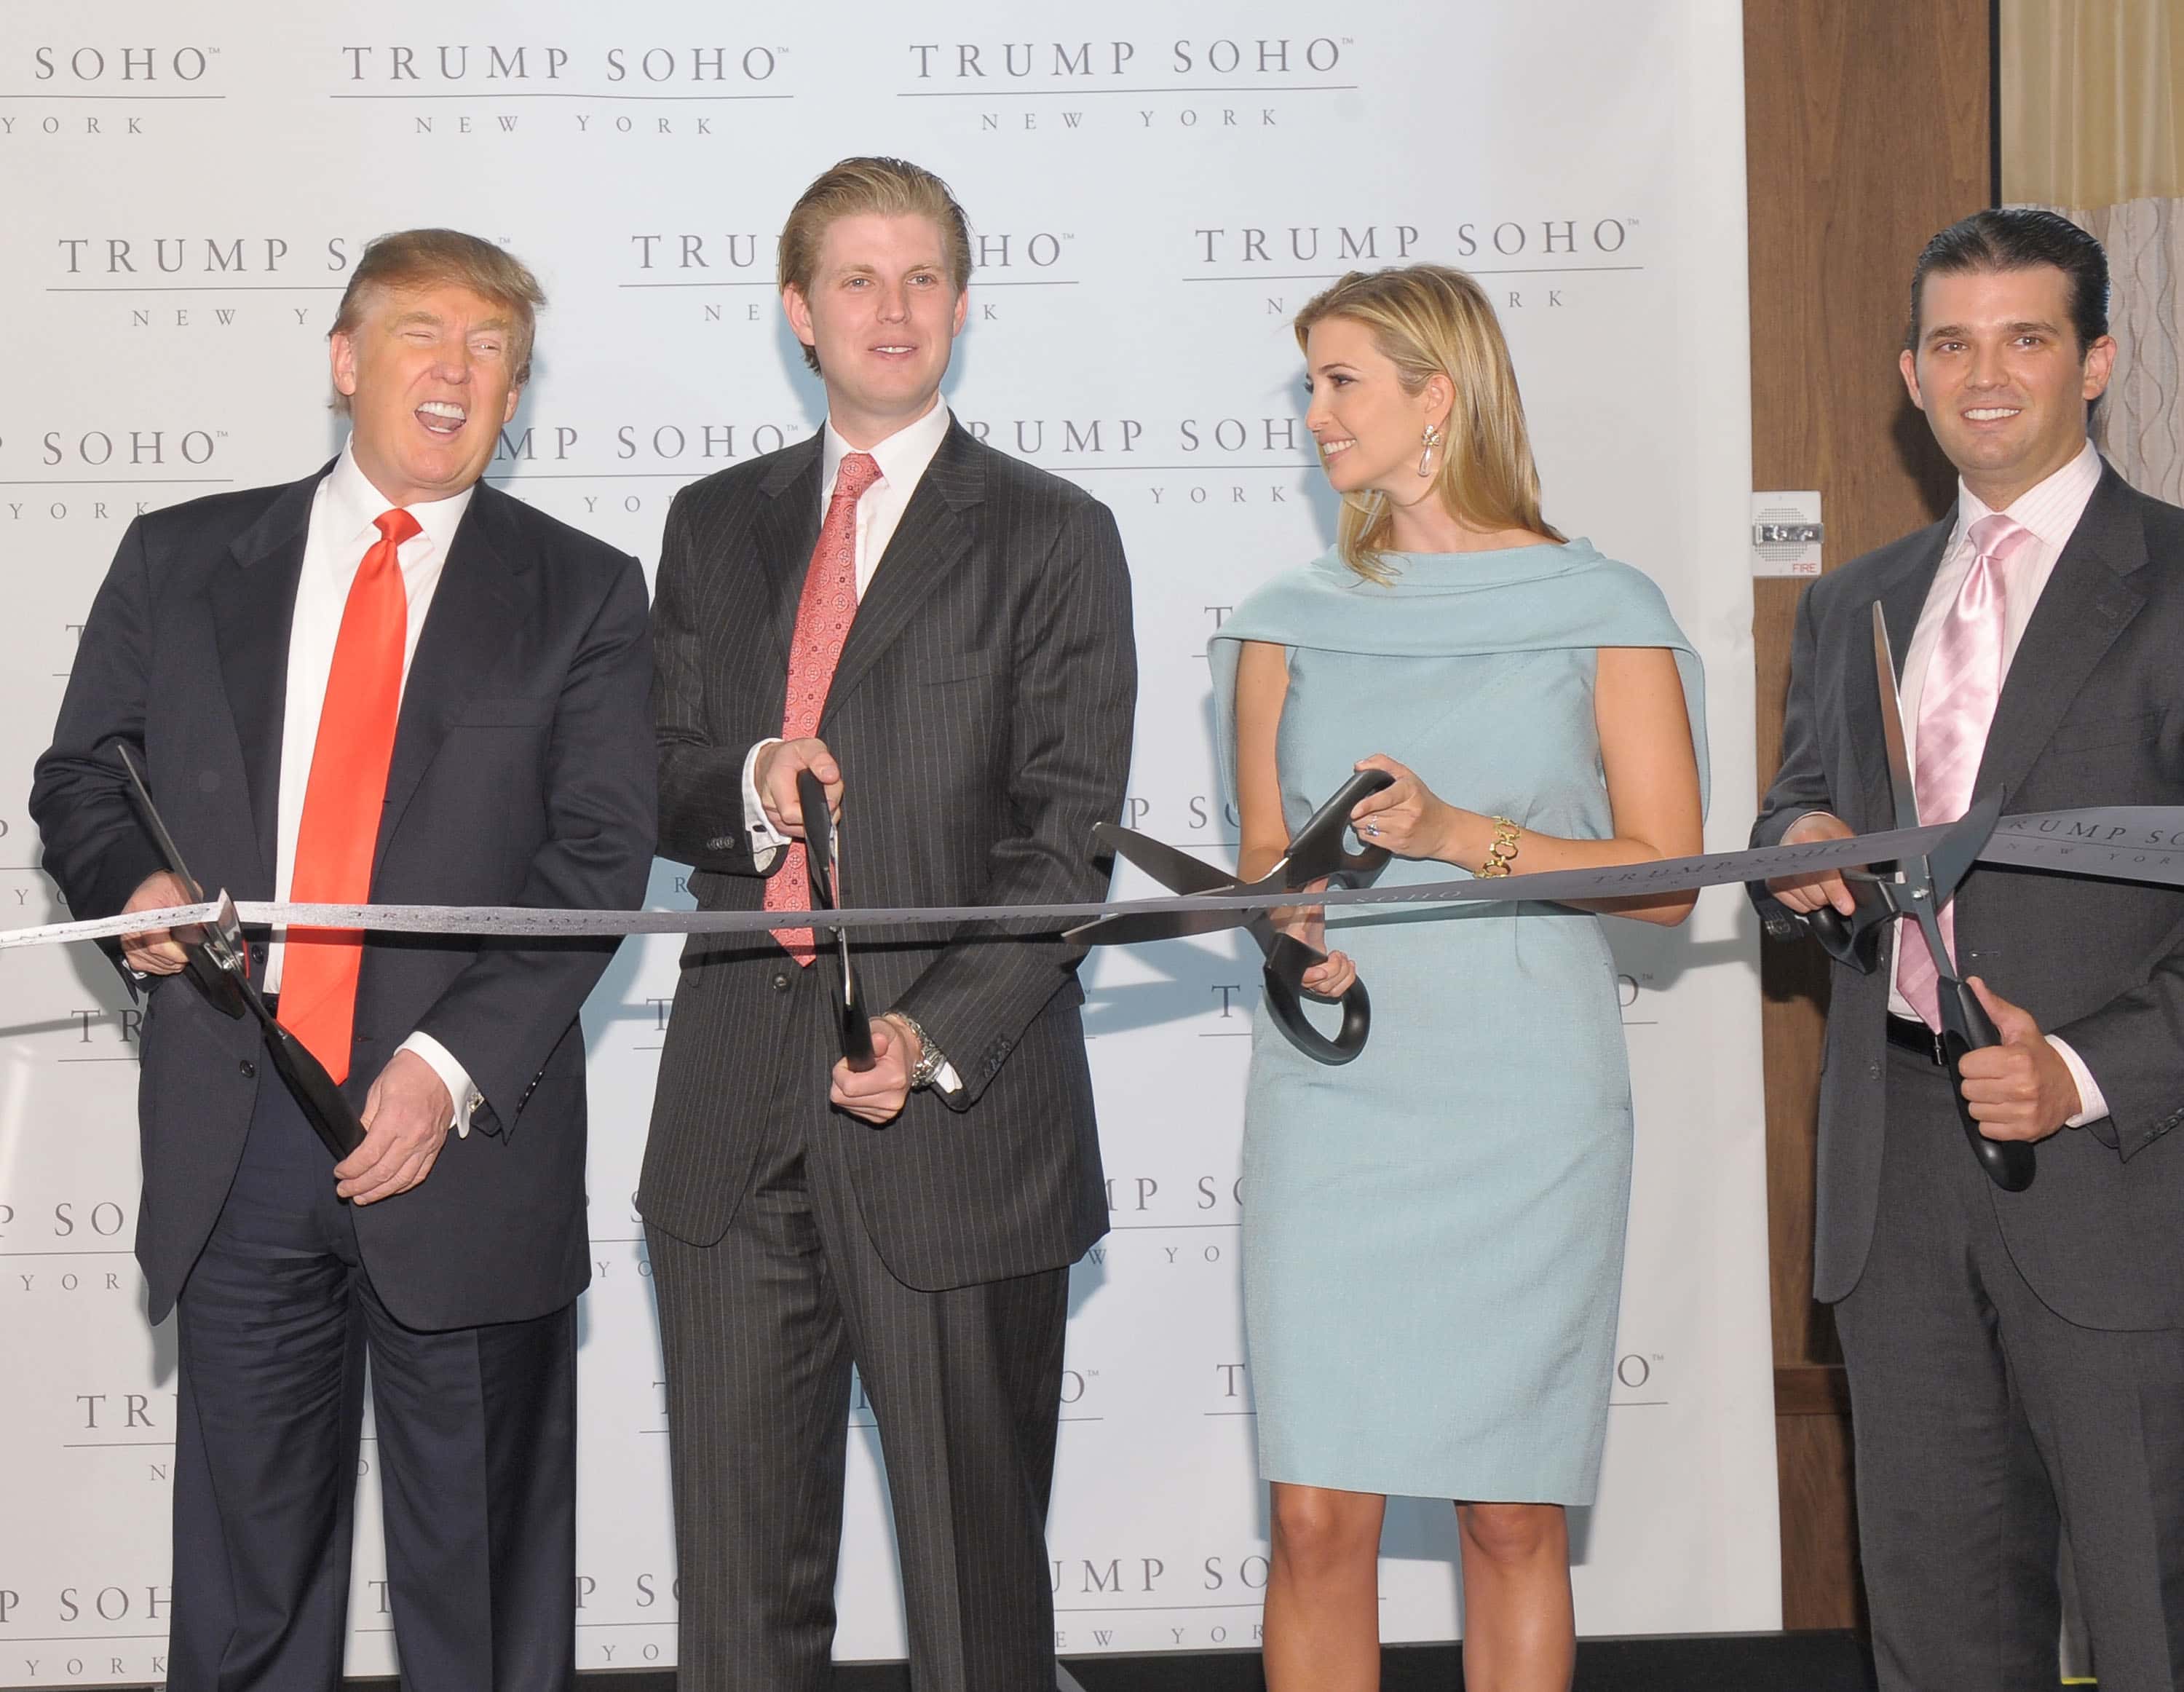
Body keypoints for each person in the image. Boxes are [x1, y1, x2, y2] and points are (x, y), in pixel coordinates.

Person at [28, 229, 656, 1692]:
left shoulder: (583, 591)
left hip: (464, 1150)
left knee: (482, 1615)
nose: (456, 368)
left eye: (493, 348)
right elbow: (82, 779)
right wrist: (134, 886)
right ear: (344, 360)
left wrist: (445, 1070)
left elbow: (598, 859)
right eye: (423, 331)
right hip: (238, 1138)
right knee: (246, 1609)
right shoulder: (181, 558)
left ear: (516, 394)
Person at [639, 156, 1136, 1692]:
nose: (893, 307)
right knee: (740, 1620)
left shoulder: (1052, 532)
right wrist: (751, 785)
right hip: (730, 1113)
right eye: (856, 278)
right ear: (800, 312)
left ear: (965, 305)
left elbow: (1067, 848)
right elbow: (651, 779)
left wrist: (927, 1035)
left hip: (955, 1127)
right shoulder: (710, 523)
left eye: (923, 276)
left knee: (979, 1621)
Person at [1208, 265, 1706, 1692]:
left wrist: (1457, 836)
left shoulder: (1605, 606)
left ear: (1439, 396)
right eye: (1310, 383)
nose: (1315, 414)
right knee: (1316, 1519)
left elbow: (1668, 876)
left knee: (1507, 1514)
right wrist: (1286, 928)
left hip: (1525, 1099)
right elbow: (1264, 863)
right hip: (1338, 1098)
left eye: (1341, 382)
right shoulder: (1281, 619)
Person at [1754, 208, 2184, 1691]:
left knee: (2152, 1627)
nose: (1984, 374)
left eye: (2025, 339)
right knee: (1937, 1637)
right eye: (1952, 343)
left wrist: (2083, 1071)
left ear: (2097, 363)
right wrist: (1802, 851)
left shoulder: (2177, 579)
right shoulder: (1853, 602)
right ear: (1910, 374)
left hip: (2120, 1176)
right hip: (1896, 1179)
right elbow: (1796, 812)